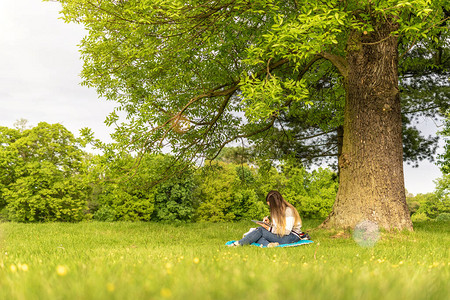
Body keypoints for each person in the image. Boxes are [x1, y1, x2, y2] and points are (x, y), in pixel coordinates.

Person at [228, 190, 302, 247]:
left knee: (260, 231)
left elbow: (286, 231)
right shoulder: (277, 211)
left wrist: (268, 228)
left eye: (271, 206)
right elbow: (278, 227)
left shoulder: (289, 211)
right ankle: (269, 245)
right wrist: (269, 224)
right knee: (256, 235)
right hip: (283, 235)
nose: (271, 208)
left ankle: (238, 243)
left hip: (291, 237)